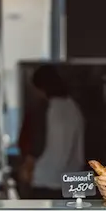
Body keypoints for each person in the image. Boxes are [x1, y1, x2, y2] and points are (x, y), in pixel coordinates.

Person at [19, 66, 85, 199]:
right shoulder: (75, 108)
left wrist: (26, 170)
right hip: (75, 182)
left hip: (45, 181)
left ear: (42, 88)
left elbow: (36, 145)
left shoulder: (45, 109)